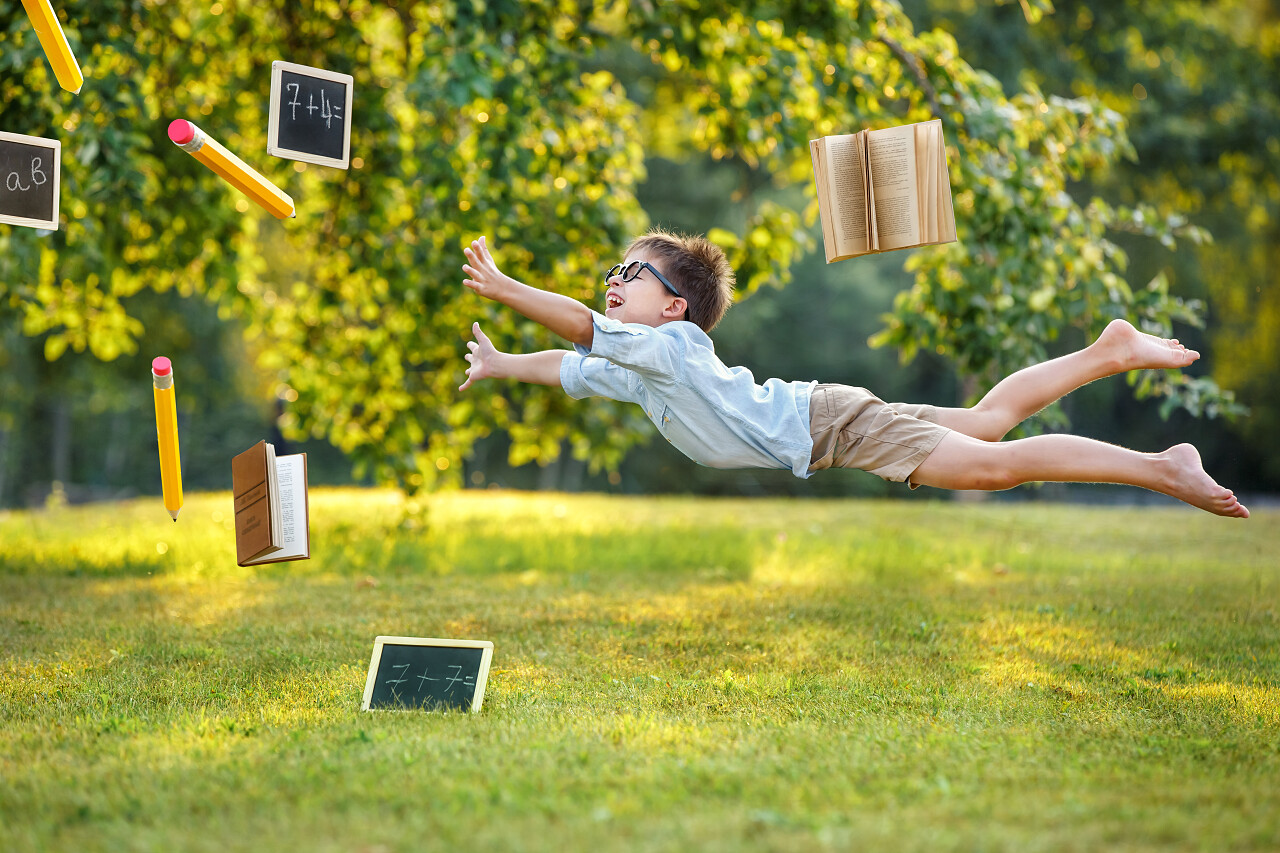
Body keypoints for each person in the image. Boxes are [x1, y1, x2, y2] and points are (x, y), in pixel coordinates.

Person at [458, 230, 1248, 518]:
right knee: (987, 422)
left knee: (994, 465)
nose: (613, 279)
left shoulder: (665, 349)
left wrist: (507, 289)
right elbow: (570, 361)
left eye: (631, 272)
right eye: (613, 269)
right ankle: (1106, 350)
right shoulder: (643, 367)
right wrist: (499, 363)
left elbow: (575, 325)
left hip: (833, 424)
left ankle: (1161, 467)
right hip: (828, 417)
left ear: (674, 309)